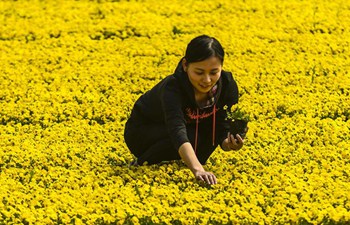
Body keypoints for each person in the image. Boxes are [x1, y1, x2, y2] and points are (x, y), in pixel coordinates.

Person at [124, 35, 246, 185]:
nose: (207, 80)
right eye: (199, 72)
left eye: (214, 72)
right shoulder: (172, 87)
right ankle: (143, 162)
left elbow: (220, 125)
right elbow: (177, 129)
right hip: (144, 132)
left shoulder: (227, 85)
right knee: (191, 136)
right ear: (185, 65)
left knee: (202, 141)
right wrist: (198, 170)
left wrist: (228, 143)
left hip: (188, 129)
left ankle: (180, 160)